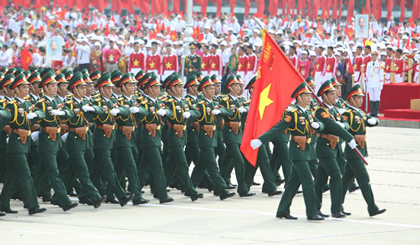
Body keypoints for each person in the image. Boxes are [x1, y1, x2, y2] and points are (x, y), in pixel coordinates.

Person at [251, 82, 325, 221]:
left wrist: (319, 125)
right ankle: (312, 211)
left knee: (292, 184)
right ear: (299, 97)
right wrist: (260, 140)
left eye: (310, 96)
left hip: (307, 151)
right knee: (308, 181)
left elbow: (320, 124)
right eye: (306, 96)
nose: (310, 98)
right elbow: (278, 128)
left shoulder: (308, 112)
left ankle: (282, 210)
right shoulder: (293, 113)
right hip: (297, 152)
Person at [0, 73, 47, 215]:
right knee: (26, 174)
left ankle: (2, 203)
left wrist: (37, 114)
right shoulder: (11, 105)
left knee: (12, 176)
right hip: (16, 143)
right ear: (16, 89)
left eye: (27, 87)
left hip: (25, 144)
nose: (27, 89)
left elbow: (42, 112)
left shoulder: (27, 104)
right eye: (23, 87)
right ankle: (32, 205)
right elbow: (6, 115)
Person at [341, 85, 386, 217]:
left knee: (346, 180)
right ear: (351, 99)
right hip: (353, 151)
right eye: (358, 98)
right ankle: (372, 207)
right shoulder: (347, 113)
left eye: (361, 98)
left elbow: (369, 121)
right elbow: (345, 127)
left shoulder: (360, 113)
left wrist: (374, 121)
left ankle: (337, 206)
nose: (361, 100)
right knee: (364, 178)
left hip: (360, 149)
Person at [313, 80, 356, 218]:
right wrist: (349, 137)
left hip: (335, 147)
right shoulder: (321, 110)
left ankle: (314, 207)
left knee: (320, 180)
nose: (335, 96)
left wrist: (343, 127)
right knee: (336, 175)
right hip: (324, 148)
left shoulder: (333, 109)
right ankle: (336, 209)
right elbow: (331, 125)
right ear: (324, 96)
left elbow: (345, 123)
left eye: (335, 93)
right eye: (331, 94)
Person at [190, 76, 236, 200]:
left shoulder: (215, 103)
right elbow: (196, 112)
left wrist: (220, 111)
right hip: (205, 138)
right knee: (212, 165)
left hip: (213, 138)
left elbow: (229, 111)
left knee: (201, 165)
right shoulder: (201, 104)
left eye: (212, 88)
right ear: (203, 91)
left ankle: (190, 187)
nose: (212, 90)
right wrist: (190, 114)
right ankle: (221, 190)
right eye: (209, 89)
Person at [365, 50, 384, 117]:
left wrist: (381, 83)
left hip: (377, 82)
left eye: (374, 55)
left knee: (377, 97)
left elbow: (381, 74)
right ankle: (371, 111)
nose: (372, 57)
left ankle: (376, 111)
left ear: (376, 56)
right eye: (372, 55)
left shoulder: (380, 64)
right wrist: (367, 82)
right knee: (371, 97)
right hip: (370, 82)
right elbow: (367, 73)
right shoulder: (369, 64)